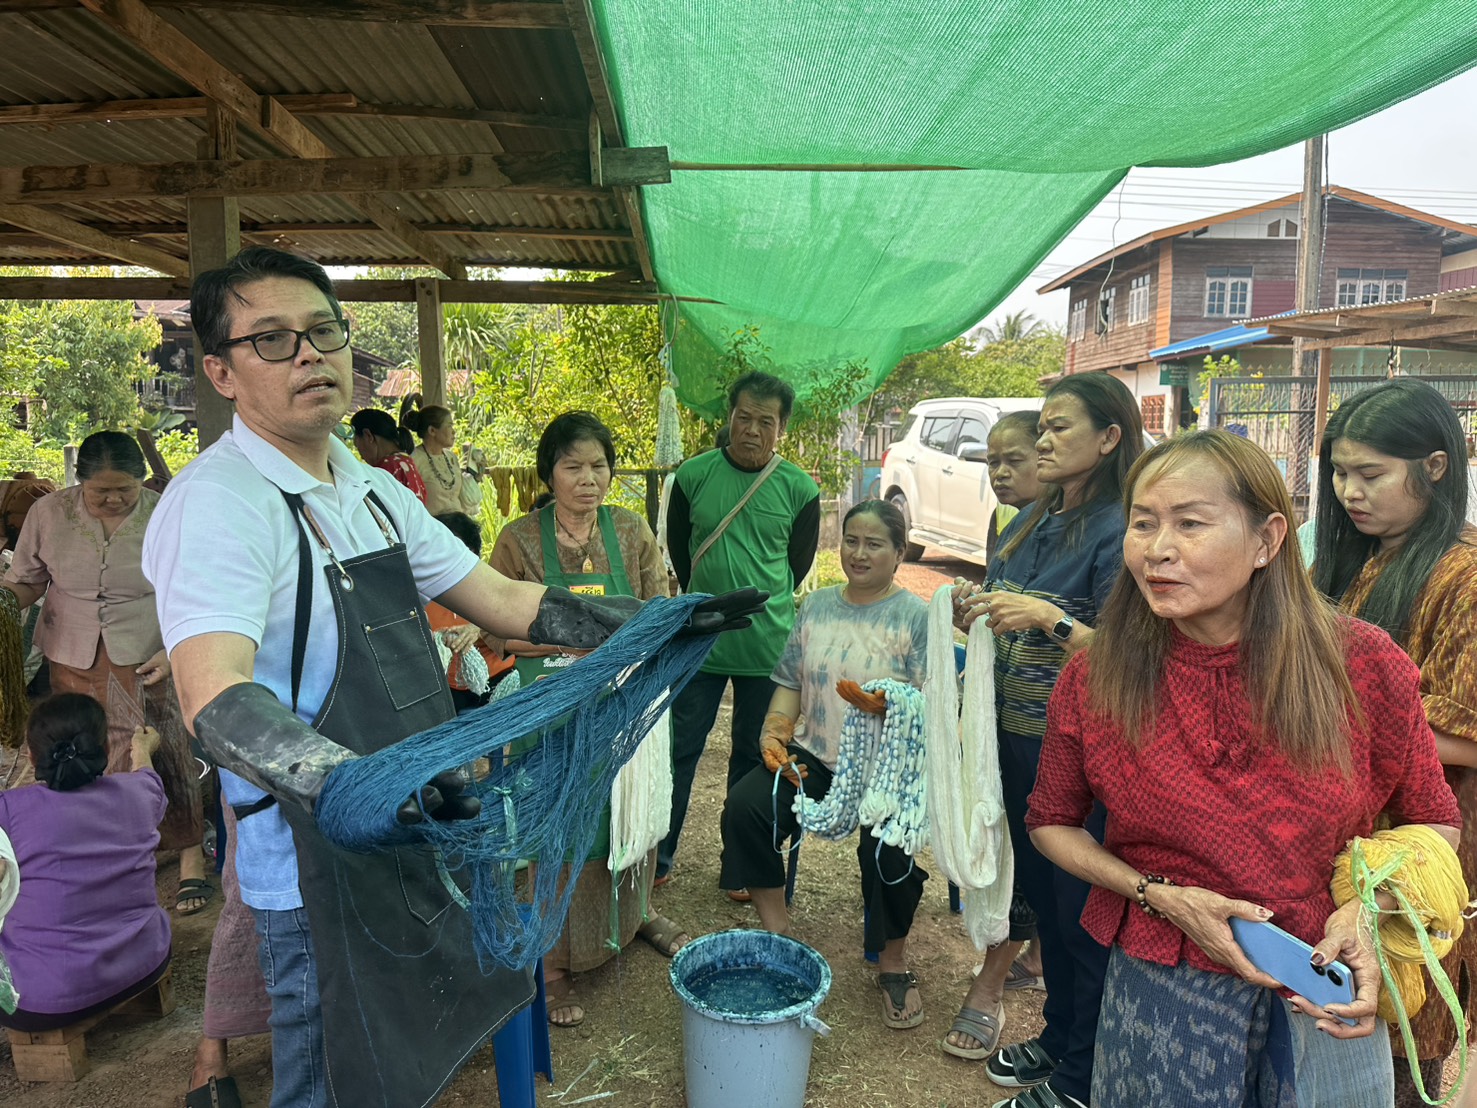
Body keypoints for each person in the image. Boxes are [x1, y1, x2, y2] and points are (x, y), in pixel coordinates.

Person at [143, 246, 759, 1108]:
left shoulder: (368, 489)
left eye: (323, 330)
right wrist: (347, 785)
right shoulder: (220, 502)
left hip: (419, 818)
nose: (310, 355)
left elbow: (501, 599)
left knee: (402, 1057)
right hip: (314, 856)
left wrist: (655, 620)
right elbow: (213, 695)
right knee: (333, 1075)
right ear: (220, 371)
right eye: (272, 339)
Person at [1028, 429, 1461, 1107]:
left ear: (1267, 540)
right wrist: (1157, 894)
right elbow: (1050, 823)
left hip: (1323, 979)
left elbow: (1435, 821)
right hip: (1165, 982)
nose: (1157, 548)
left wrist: (1364, 910)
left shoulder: (1361, 665)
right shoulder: (1097, 676)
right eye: (1142, 523)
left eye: (1189, 523)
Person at [947, 373, 1143, 1108]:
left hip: (1079, 754)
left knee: (1079, 913)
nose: (1044, 441)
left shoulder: (1120, 528)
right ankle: (1060, 1037)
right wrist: (976, 608)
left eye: (1060, 428)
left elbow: (1131, 655)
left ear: (1109, 437)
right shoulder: (1030, 519)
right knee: (1045, 903)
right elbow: (1003, 608)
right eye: (1043, 429)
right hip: (1013, 734)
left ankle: (1082, 1078)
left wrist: (1046, 618)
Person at [489, 411, 689, 1027]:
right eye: (573, 466)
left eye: (599, 466)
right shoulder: (520, 539)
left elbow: (662, 610)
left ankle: (635, 917)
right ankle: (553, 963)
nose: (588, 479)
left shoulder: (630, 530)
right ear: (548, 473)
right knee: (557, 823)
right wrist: (566, 643)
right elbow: (494, 629)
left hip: (624, 699)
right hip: (550, 707)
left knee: (631, 809)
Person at [1312, 379, 1477, 1108]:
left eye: (1370, 474)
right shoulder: (1356, 561)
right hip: (1356, 829)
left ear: (1434, 467)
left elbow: (1466, 735)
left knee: (1405, 1021)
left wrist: (1330, 721)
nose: (1349, 492)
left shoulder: (1464, 576)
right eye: (1339, 473)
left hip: (1427, 838)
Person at [719, 499, 930, 1027]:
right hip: (814, 753)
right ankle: (779, 933)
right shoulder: (815, 606)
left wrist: (890, 703)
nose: (859, 553)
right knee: (746, 806)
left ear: (899, 552)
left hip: (886, 766)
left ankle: (893, 961)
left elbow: (933, 703)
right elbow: (790, 683)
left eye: (874, 544)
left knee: (888, 852)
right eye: (851, 541)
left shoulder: (916, 617)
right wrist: (774, 734)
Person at [1, 432, 207, 914]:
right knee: (84, 750)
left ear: (141, 482)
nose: (113, 499)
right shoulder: (48, 512)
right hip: (70, 652)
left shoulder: (168, 512)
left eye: (125, 490)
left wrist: (172, 650)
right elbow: (27, 581)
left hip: (148, 649)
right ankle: (112, 849)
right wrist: (3, 603)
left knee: (163, 746)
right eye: (100, 492)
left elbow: (196, 588)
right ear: (80, 482)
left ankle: (190, 854)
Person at [661, 372, 821, 886]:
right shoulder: (692, 476)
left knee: (755, 758)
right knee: (678, 750)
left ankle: (739, 868)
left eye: (765, 421)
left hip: (767, 647)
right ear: (729, 416)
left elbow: (795, 566)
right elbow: (681, 554)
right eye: (744, 417)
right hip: (700, 641)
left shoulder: (800, 489)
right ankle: (658, 858)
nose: (752, 430)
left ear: (782, 428)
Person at [952, 408, 1048, 1045]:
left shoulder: (1091, 528)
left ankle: (989, 986)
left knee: (1027, 847)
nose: (1001, 473)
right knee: (1022, 843)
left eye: (1015, 460)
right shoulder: (1008, 523)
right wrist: (973, 617)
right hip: (1005, 708)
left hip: (1050, 722)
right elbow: (1001, 604)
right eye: (993, 462)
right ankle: (1035, 959)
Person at [0, 694, 172, 1032]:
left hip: (43, 1001)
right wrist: (141, 748)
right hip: (146, 963)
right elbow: (148, 776)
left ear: (31, 756)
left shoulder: (9, 810)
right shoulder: (139, 792)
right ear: (105, 748)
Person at [427, 510, 514, 712]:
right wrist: (439, 639)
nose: (445, 557)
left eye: (453, 549)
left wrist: (479, 629)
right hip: (446, 688)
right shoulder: (419, 592)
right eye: (439, 549)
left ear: (472, 552)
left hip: (498, 682)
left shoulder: (494, 585)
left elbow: (517, 626)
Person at [401, 394, 475, 517]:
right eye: (449, 425)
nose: (453, 431)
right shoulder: (414, 461)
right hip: (433, 525)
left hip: (460, 523)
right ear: (432, 431)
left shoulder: (451, 457)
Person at [350, 407, 427, 505]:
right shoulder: (405, 461)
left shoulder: (388, 467)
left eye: (358, 447)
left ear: (368, 436)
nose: (361, 457)